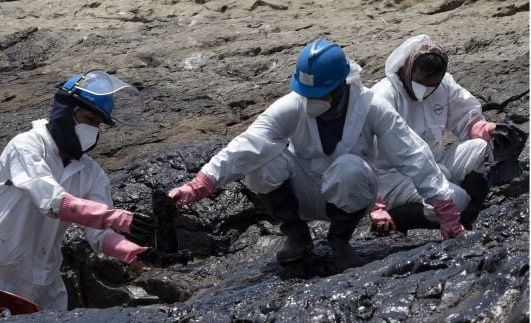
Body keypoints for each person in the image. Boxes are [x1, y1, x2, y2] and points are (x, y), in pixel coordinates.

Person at [168, 38, 466, 267]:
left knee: (350, 166)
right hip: (303, 193)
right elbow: (246, 146)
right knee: (262, 161)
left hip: (349, 195)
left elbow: (412, 153)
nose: (312, 100)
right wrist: (200, 184)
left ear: (341, 86)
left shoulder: (372, 106)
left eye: (321, 94)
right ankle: (296, 235)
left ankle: (339, 241)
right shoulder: (292, 105)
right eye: (308, 94)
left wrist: (444, 208)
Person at [0, 70, 158, 310]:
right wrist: (115, 216)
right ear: (66, 111)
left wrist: (136, 253)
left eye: (98, 125)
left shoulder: (91, 172)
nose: (93, 130)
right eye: (88, 119)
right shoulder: (26, 146)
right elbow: (52, 201)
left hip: (45, 286)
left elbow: (100, 235)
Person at [369, 34, 497, 235]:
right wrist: (376, 206)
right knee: (458, 200)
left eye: (433, 84)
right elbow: (361, 152)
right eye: (421, 82)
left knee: (483, 146)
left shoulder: (444, 85)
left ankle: (449, 202)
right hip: (395, 179)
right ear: (408, 68)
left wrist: (485, 129)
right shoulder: (382, 97)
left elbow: (465, 114)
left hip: (435, 165)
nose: (426, 90)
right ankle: (401, 217)